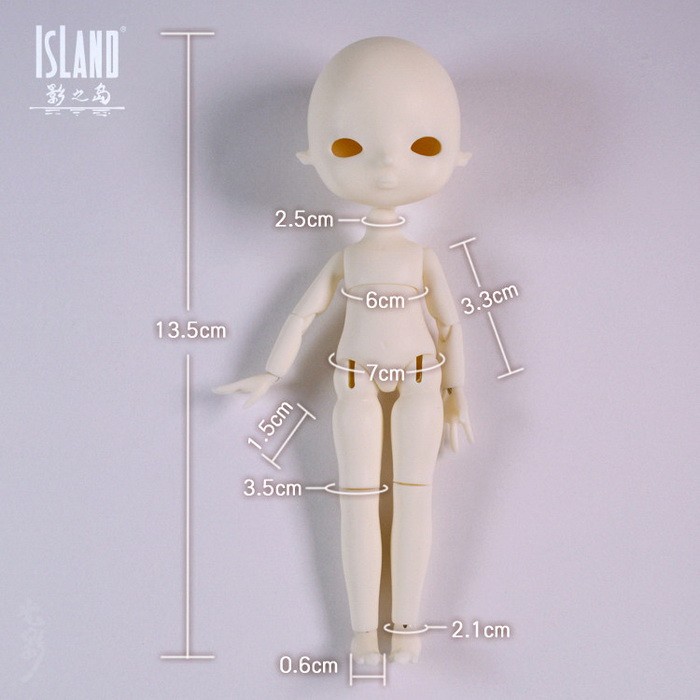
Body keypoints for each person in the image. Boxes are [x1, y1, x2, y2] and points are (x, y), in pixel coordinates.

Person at [216, 36, 473, 664]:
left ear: (455, 156)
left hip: (420, 382)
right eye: (351, 147)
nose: (386, 166)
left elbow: (450, 326)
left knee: (413, 501)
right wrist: (269, 373)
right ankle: (362, 632)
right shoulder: (347, 259)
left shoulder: (420, 257)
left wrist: (456, 396)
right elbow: (304, 315)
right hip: (353, 382)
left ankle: (406, 628)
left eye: (422, 146)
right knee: (357, 504)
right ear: (315, 155)